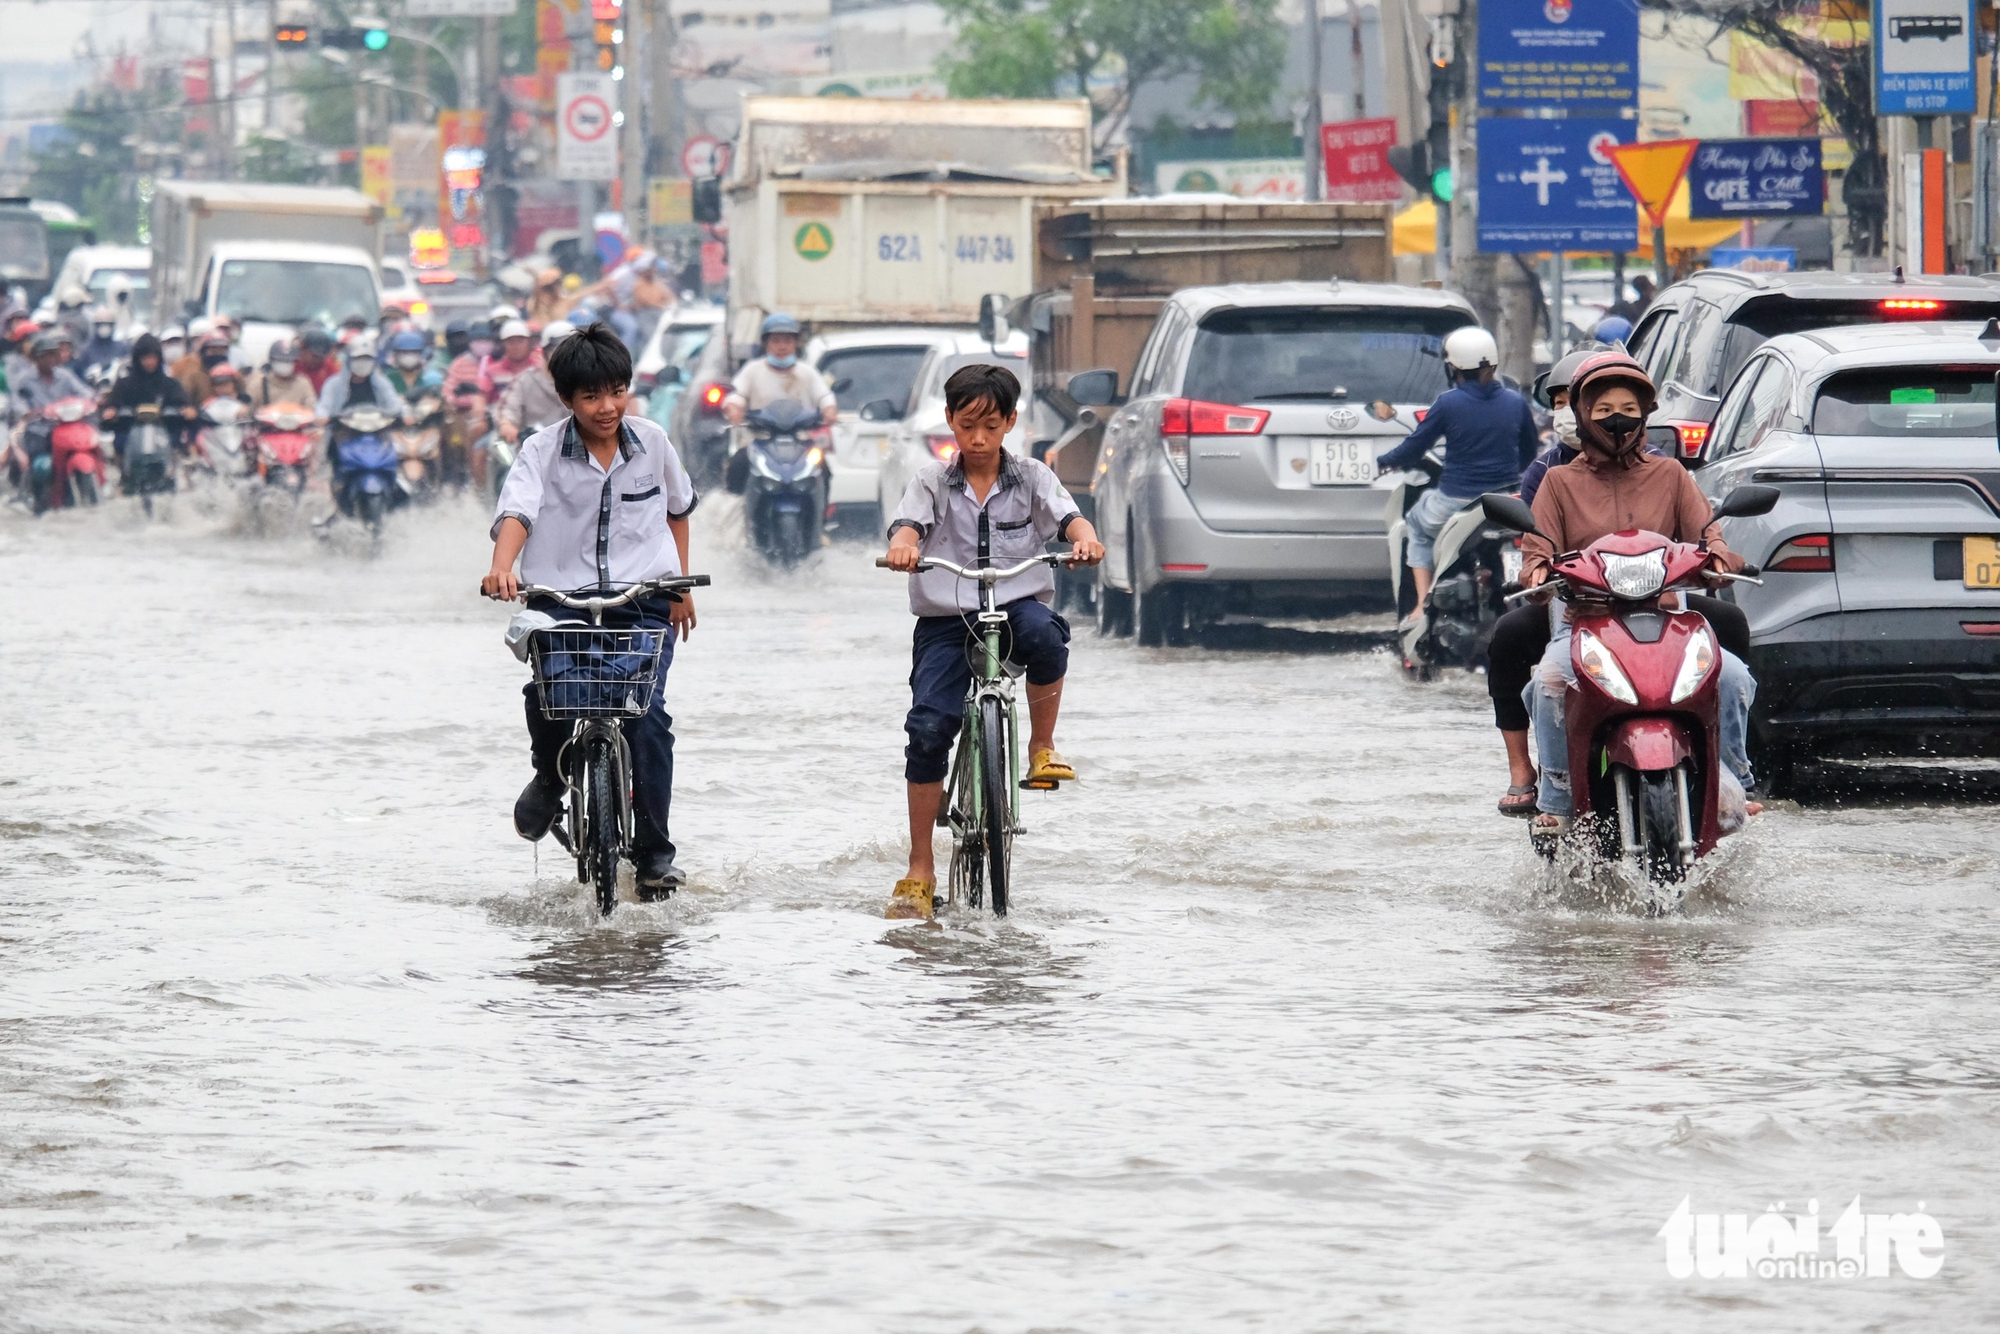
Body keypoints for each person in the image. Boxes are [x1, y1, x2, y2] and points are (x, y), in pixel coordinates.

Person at [880, 363, 1105, 921]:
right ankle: (920, 868)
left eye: (990, 426)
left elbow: (1071, 519)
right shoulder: (932, 480)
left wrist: (1086, 540)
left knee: (1048, 637)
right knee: (927, 729)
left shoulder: (1032, 477)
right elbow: (907, 525)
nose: (978, 438)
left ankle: (1041, 747)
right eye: (966, 426)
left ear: (1010, 422)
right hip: (946, 617)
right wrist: (905, 546)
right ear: (950, 421)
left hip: (1016, 605)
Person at [482, 323, 699, 894]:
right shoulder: (540, 450)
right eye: (591, 396)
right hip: (560, 601)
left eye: (617, 392)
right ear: (567, 399)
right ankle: (549, 779)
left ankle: (655, 855)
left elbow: (677, 511)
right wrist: (503, 566)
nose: (608, 408)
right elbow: (517, 512)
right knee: (549, 693)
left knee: (648, 718)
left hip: (641, 601)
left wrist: (680, 586)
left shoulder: (653, 441)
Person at [1517, 354, 1758, 834]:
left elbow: (1709, 536)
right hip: (1587, 623)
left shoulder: (1671, 475)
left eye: (1628, 408)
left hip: (1670, 623)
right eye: (1604, 409)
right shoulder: (1558, 483)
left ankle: (1732, 785)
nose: (1617, 419)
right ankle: (1557, 799)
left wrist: (1719, 560)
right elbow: (1535, 552)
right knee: (1548, 683)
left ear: (1646, 413)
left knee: (1732, 678)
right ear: (1583, 415)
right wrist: (1537, 573)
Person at [1375, 326, 1539, 608]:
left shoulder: (1448, 403)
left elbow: (1416, 446)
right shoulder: (1516, 402)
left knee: (1416, 525)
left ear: (1454, 367)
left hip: (1456, 500)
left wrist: (1387, 460)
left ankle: (1422, 605)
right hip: (1506, 502)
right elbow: (1529, 451)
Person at [99, 333, 192, 489]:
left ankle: (179, 476)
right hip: (131, 436)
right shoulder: (124, 384)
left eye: (153, 357)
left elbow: (184, 404)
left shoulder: (170, 384)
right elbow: (111, 405)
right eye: (145, 357)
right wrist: (111, 411)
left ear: (159, 358)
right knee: (118, 443)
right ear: (137, 359)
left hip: (164, 435)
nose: (149, 362)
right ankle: (122, 477)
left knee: (181, 444)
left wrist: (186, 410)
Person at [723, 312, 838, 428]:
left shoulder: (808, 372)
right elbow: (737, 394)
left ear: (796, 343)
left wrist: (829, 409)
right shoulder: (752, 370)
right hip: (761, 435)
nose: (782, 347)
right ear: (766, 343)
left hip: (802, 435)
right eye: (776, 341)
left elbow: (824, 396)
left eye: (787, 341)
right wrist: (734, 407)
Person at [496, 321, 573, 445]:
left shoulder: (587, 380)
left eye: (571, 351)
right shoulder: (525, 380)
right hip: (536, 446)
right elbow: (509, 408)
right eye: (556, 350)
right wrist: (507, 424)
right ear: (545, 352)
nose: (564, 356)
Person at [316, 333, 406, 432]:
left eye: (367, 359)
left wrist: (402, 413)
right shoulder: (333, 384)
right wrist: (322, 416)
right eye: (358, 358)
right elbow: (324, 405)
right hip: (342, 431)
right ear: (349, 360)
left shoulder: (382, 383)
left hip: (377, 431)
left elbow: (393, 403)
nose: (363, 362)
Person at [479, 319, 543, 404]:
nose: (516, 346)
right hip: (501, 410)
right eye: (511, 342)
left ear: (529, 342)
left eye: (520, 341)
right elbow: (481, 395)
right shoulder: (493, 372)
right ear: (504, 344)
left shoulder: (540, 369)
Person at [247, 339, 319, 410]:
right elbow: (247, 407)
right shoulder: (260, 383)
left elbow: (311, 404)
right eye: (280, 360)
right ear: (272, 360)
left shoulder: (303, 383)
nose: (284, 364)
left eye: (288, 361)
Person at [385, 328, 443, 400]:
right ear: (396, 354)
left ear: (421, 354)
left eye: (413, 352)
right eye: (404, 352)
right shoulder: (388, 378)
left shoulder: (428, 378)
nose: (409, 356)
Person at [77, 306, 128, 380]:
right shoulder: (86, 350)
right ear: (95, 326)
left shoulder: (121, 347)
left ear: (113, 326)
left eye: (108, 324)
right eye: (101, 324)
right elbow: (80, 374)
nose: (104, 327)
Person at [297, 327, 340, 394]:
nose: (318, 360)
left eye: (321, 357)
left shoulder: (329, 365)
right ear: (303, 351)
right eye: (315, 356)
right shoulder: (293, 365)